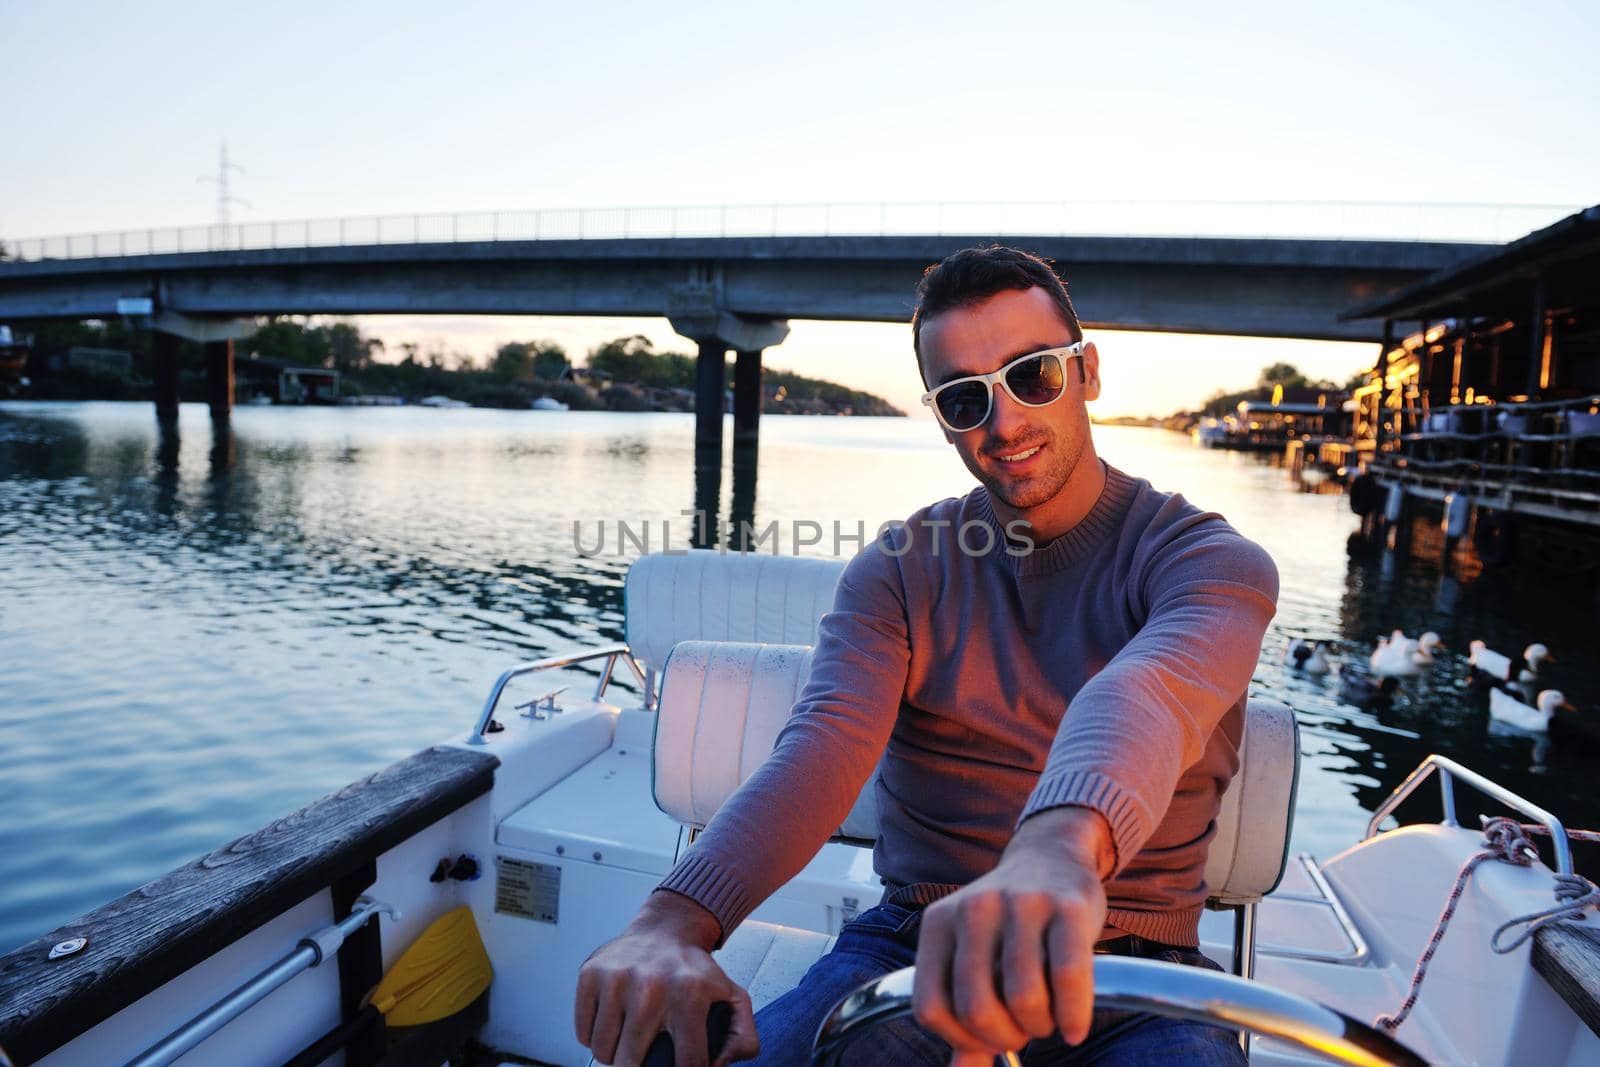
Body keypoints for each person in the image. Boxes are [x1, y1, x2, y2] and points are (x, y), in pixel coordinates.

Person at [574, 245, 1279, 1066]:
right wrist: (670, 922)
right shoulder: (901, 569)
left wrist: (1054, 854)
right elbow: (823, 750)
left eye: (1033, 376)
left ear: (1086, 371)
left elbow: (1145, 694)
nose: (1004, 420)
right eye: (966, 396)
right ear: (941, 416)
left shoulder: (1209, 561)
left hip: (1137, 976)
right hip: (908, 948)